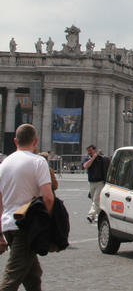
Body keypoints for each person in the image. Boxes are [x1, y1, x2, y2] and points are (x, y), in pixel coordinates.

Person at [0, 124, 54, 290]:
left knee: (33, 276)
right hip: (26, 227)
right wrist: (48, 222)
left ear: (15, 141)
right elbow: (48, 197)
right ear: (35, 141)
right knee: (12, 278)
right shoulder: (38, 162)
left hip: (8, 225)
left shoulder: (4, 164)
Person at [83, 144, 109, 224]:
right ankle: (98, 215)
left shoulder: (101, 159)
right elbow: (85, 166)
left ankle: (91, 215)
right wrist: (92, 158)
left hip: (100, 182)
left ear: (95, 150)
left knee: (96, 199)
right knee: (94, 200)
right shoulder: (87, 159)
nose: (89, 152)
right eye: (88, 151)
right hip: (91, 182)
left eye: (91, 151)